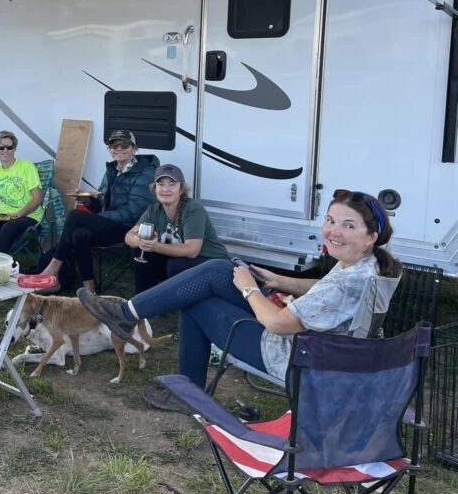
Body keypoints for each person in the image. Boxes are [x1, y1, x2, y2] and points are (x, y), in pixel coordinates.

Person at [77, 189, 403, 409]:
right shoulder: (367, 265)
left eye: (348, 225)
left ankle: (133, 322)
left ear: (371, 235)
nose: (334, 231)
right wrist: (277, 280)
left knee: (196, 297)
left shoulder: (350, 281)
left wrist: (249, 287)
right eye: (331, 221)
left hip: (291, 358)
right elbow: (323, 286)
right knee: (218, 270)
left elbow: (278, 324)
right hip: (316, 352)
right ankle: (128, 315)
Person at [40, 130, 158, 292]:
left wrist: (99, 218)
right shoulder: (112, 169)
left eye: (124, 145)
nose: (119, 148)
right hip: (110, 225)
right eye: (114, 145)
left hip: (131, 229)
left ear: (134, 148)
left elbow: (135, 210)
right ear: (109, 149)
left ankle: (53, 268)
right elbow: (101, 204)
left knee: (75, 216)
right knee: (79, 234)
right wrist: (88, 201)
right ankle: (90, 287)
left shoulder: (146, 171)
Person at [127, 164, 227, 292]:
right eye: (161, 184)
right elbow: (128, 236)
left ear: (181, 190)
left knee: (176, 265)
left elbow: (192, 251)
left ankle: (176, 302)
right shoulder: (154, 210)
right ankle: (144, 304)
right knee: (139, 252)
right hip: (182, 262)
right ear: (154, 188)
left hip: (213, 263)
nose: (165, 189)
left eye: (172, 184)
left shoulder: (192, 209)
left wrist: (154, 246)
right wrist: (140, 241)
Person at [0, 130, 43, 253]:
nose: (5, 151)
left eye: (9, 147)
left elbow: (37, 198)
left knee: (9, 227)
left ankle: (0, 260)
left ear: (15, 149)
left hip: (29, 215)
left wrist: (21, 213)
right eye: (1, 147)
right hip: (3, 216)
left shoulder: (27, 166)